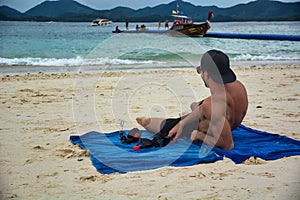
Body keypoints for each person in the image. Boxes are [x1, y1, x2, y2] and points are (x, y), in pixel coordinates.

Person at [136, 50, 248, 150]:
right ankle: (193, 108)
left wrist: (200, 135)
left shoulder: (212, 105)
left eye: (200, 71)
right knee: (194, 109)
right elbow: (211, 107)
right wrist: (183, 123)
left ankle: (144, 121)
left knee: (151, 123)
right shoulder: (239, 87)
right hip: (219, 116)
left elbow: (228, 145)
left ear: (206, 74)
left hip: (205, 123)